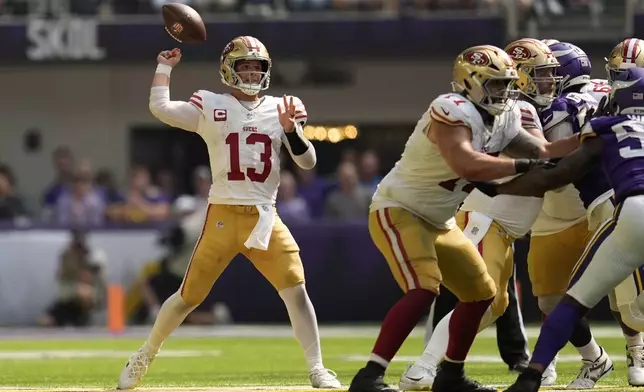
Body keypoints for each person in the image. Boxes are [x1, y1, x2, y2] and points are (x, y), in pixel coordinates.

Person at [348, 44, 579, 392]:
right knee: (423, 289)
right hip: (400, 209)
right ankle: (369, 376)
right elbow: (466, 164)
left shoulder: (503, 118)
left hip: (440, 220)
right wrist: (522, 166)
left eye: (506, 84)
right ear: (470, 82)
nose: (504, 92)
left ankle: (451, 375)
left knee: (482, 293)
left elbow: (544, 150)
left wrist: (596, 136)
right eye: (496, 84)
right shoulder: (449, 109)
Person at [116, 35, 341, 390]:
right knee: (188, 296)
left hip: (265, 217)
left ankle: (317, 368)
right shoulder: (211, 104)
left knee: (296, 290)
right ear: (228, 69)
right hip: (222, 215)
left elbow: (308, 161)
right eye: (245, 66)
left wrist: (290, 130)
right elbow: (160, 108)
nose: (252, 73)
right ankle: (144, 354)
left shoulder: (283, 106)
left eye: (257, 67)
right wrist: (164, 68)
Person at [477, 66, 644, 392]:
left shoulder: (607, 126)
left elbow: (557, 174)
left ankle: (532, 376)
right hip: (614, 210)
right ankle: (617, 356)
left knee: (573, 301)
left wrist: (498, 189)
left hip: (633, 210)